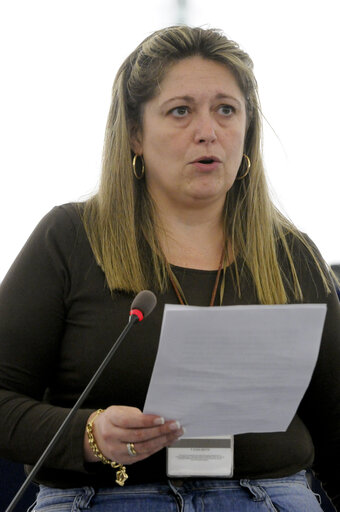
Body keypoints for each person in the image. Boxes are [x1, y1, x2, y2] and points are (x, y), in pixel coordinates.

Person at [0, 25, 339, 512]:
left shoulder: (293, 256)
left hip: (267, 496)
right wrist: (87, 433)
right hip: (106, 498)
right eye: (181, 111)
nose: (208, 130)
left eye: (226, 109)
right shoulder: (70, 238)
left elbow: (335, 429)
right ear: (135, 135)